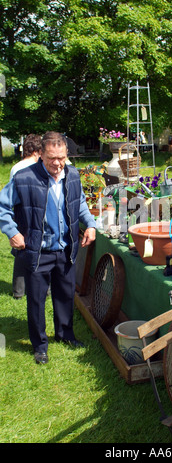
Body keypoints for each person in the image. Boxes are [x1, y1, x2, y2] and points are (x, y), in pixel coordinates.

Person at [0, 131, 96, 364]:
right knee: (36, 299)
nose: (57, 163)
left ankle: (65, 334)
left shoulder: (72, 175)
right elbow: (3, 208)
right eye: (52, 157)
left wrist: (91, 224)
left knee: (65, 295)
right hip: (37, 251)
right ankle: (40, 345)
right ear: (40, 154)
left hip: (65, 249)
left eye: (62, 157)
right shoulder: (24, 178)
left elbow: (80, 202)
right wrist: (12, 232)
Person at [9, 134, 42, 299]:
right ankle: (33, 289)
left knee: (21, 251)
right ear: (37, 151)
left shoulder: (16, 166)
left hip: (19, 212)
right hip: (29, 212)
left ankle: (19, 291)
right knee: (29, 251)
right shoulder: (31, 166)